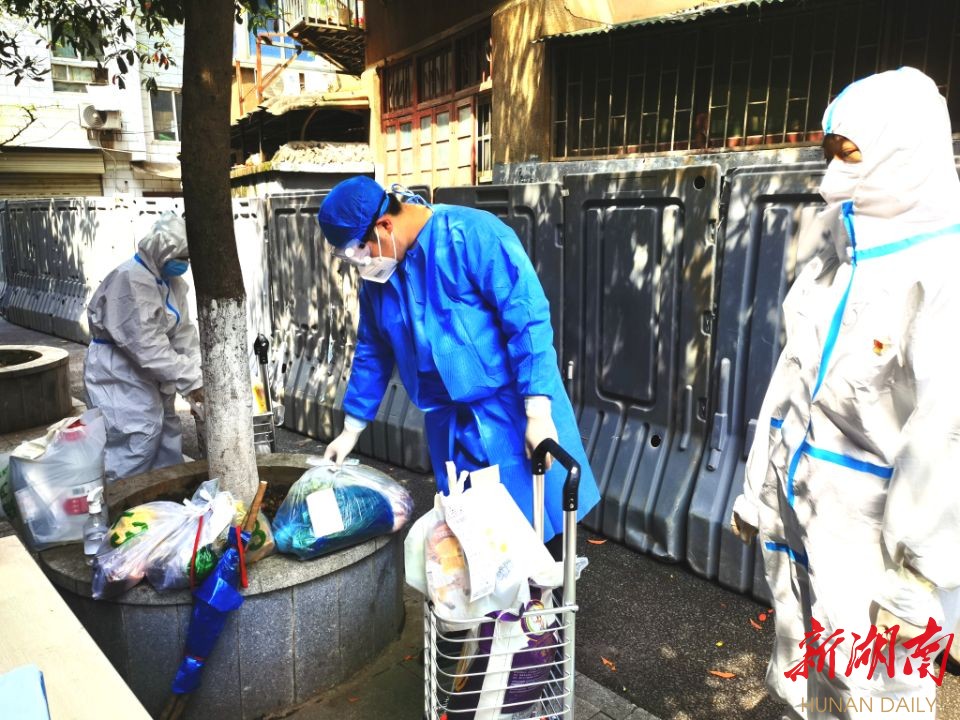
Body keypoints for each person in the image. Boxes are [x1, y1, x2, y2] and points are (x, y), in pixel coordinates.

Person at [731, 67, 960, 719]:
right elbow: (790, 384)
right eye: (830, 155)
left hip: (882, 558)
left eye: (851, 157)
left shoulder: (944, 274)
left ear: (902, 154)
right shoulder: (837, 262)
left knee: (879, 705)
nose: (834, 176)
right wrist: (758, 490)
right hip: (809, 528)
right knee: (809, 689)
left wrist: (915, 583)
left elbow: (947, 435)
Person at [317, 178, 600, 545]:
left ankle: (545, 596)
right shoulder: (381, 278)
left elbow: (526, 318)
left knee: (537, 534)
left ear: (385, 225)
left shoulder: (472, 235)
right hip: (450, 425)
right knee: (477, 544)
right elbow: (373, 348)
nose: (362, 263)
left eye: (359, 251)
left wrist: (538, 413)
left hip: (511, 413)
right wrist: (351, 428)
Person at [84, 212, 203, 482]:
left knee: (165, 435)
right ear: (162, 251)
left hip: (151, 374)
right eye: (181, 258)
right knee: (134, 441)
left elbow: (183, 333)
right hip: (119, 375)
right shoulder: (131, 280)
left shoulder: (172, 283)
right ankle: (122, 505)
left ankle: (163, 505)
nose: (184, 265)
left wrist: (199, 373)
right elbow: (147, 347)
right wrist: (192, 380)